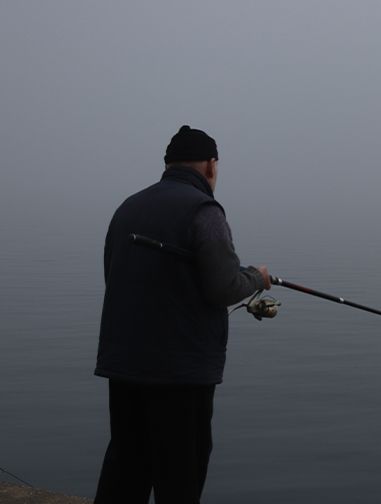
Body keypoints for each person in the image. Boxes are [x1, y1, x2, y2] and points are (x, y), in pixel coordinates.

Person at [94, 125, 271, 503]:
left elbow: (113, 273)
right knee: (180, 476)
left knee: (126, 467)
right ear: (210, 165)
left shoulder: (128, 207)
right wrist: (257, 277)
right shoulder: (204, 210)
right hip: (180, 374)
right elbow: (224, 287)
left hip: (124, 365)